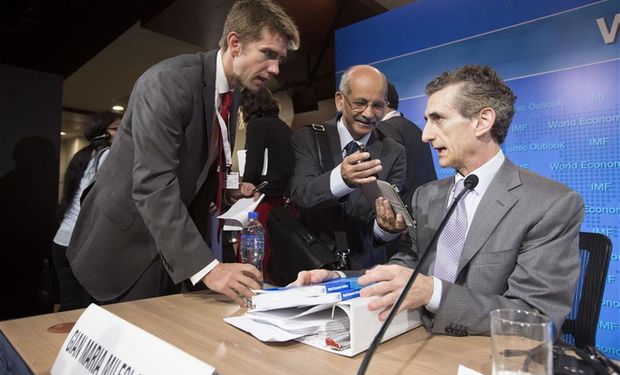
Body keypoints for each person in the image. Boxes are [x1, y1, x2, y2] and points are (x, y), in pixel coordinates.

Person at [293, 65, 584, 336]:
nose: (426, 136)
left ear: (483, 121)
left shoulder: (550, 204)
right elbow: (403, 268)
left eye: (438, 119)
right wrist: (342, 281)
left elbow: (535, 319)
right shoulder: (427, 195)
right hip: (412, 343)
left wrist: (433, 293)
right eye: (427, 121)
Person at [67, 0, 299, 306]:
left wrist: (226, 190)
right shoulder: (169, 82)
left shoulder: (234, 93)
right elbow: (153, 184)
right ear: (235, 43)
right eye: (268, 54)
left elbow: (205, 159)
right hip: (123, 245)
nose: (275, 69)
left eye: (280, 58)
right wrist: (209, 270)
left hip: (170, 246)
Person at [289, 65, 407, 270]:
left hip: (363, 272)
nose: (369, 114)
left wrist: (386, 228)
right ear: (340, 100)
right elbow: (302, 195)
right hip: (312, 266)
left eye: (378, 105)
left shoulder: (394, 152)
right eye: (360, 103)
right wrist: (341, 179)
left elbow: (381, 229)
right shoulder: (307, 138)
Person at [52, 111, 121, 310]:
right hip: (82, 244)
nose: (123, 133)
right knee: (90, 308)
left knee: (69, 305)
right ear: (102, 133)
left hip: (61, 241)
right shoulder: (108, 155)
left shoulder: (81, 156)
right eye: (116, 128)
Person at [239, 87, 294, 279]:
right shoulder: (281, 126)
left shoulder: (257, 125)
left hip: (267, 199)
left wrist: (246, 183)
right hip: (287, 200)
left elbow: (253, 163)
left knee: (256, 256)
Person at [378, 82, 436, 205]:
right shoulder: (413, 127)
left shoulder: (384, 129)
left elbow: (387, 183)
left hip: (402, 213)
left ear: (385, 101)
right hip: (426, 206)